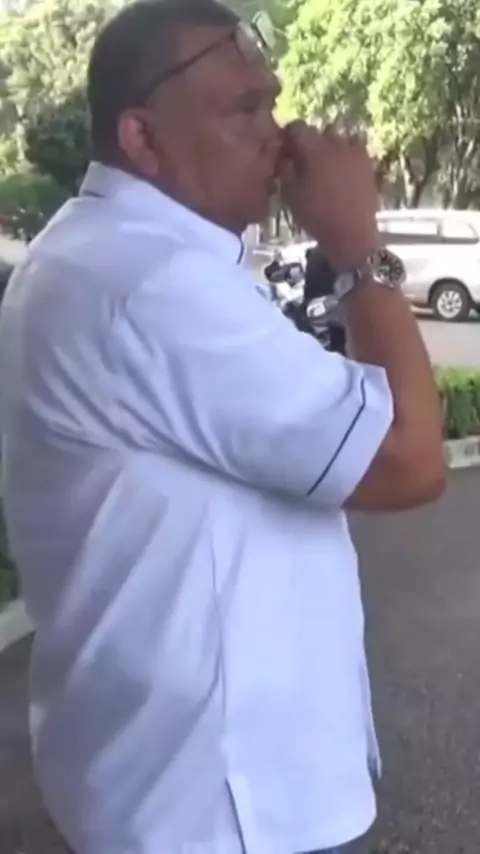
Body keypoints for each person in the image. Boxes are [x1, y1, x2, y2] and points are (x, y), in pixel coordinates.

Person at [0, 2, 445, 853]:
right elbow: (409, 458)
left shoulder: (100, 251)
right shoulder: (151, 282)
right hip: (219, 804)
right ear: (142, 136)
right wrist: (359, 251)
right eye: (243, 109)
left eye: (271, 103)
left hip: (175, 785)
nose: (277, 136)